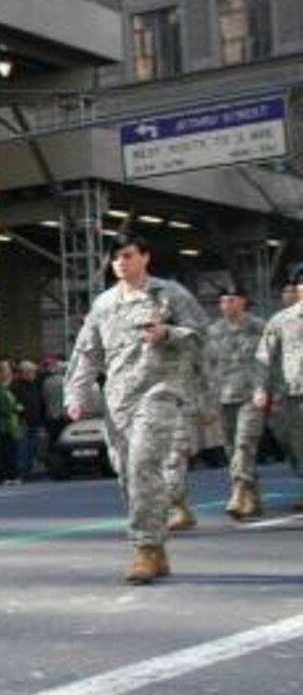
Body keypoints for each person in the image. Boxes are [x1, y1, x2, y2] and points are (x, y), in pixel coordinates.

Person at [65, 234, 210, 584]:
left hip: (160, 391)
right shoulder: (104, 303)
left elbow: (202, 334)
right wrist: (76, 393)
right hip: (119, 398)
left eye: (127, 255)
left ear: (145, 257)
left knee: (143, 463)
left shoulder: (170, 294)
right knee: (127, 474)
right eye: (115, 258)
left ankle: (144, 548)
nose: (120, 263)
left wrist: (168, 333)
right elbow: (87, 352)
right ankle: (157, 548)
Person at [205, 287, 267, 520]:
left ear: (243, 302)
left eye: (230, 300)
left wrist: (266, 390)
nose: (225, 305)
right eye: (222, 301)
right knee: (232, 449)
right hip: (224, 397)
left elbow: (268, 360)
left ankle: (239, 492)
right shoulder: (214, 331)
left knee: (244, 443)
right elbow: (207, 368)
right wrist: (207, 403)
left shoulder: (260, 327)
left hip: (252, 395)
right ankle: (254, 499)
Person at [254, 265, 303, 510]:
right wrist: (261, 389)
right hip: (292, 393)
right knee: (290, 440)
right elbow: (265, 356)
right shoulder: (281, 320)